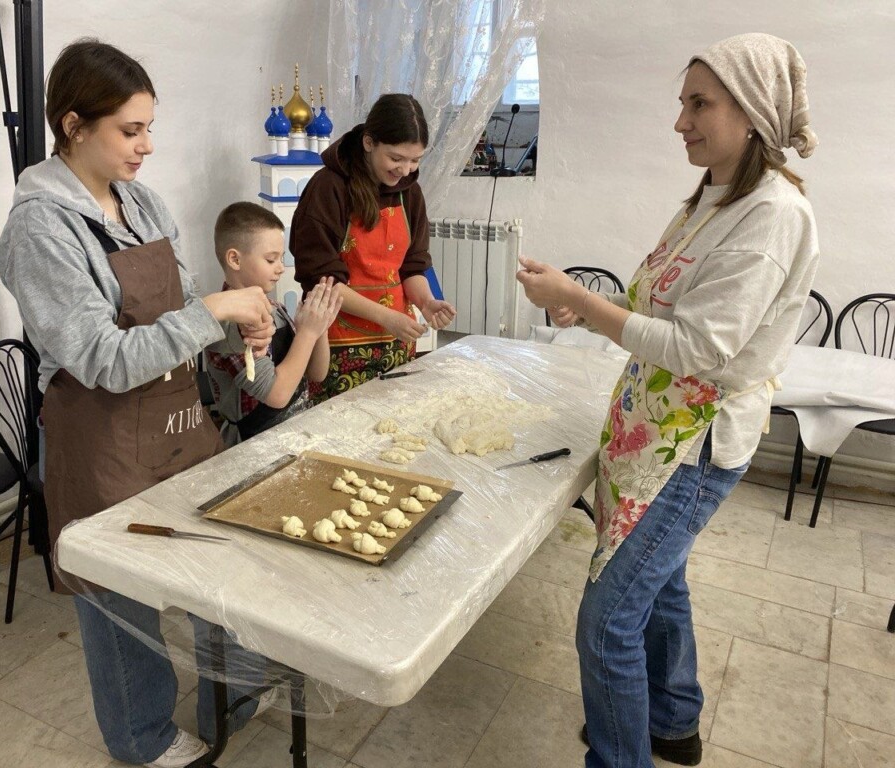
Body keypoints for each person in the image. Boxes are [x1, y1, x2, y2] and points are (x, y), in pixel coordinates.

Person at [516, 34, 819, 768]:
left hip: (693, 444)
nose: (681, 122)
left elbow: (699, 350)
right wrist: (585, 308)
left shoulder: (773, 215)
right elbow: (659, 302)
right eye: (683, 103)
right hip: (652, 428)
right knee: (662, 579)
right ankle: (673, 718)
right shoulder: (710, 198)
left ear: (752, 111)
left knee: (606, 623)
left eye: (699, 104)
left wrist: (585, 299)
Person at [0, 40, 275, 767]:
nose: (147, 145)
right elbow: (103, 359)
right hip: (102, 435)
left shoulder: (141, 202)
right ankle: (141, 735)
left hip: (175, 418)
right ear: (73, 125)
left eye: (150, 127)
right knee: (119, 596)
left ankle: (231, 692)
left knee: (217, 556)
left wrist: (236, 322)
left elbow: (181, 301)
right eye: (131, 130)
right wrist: (211, 311)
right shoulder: (41, 228)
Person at [290, 93, 457, 401]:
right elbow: (323, 283)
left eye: (415, 160)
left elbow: (412, 266)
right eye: (396, 158)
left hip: (396, 339)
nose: (405, 170)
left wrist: (425, 302)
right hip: (337, 345)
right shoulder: (328, 188)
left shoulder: (410, 193)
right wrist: (386, 317)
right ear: (369, 142)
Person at [205, 202, 342, 446]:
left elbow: (316, 373)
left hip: (295, 432)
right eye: (271, 260)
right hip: (253, 445)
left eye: (281, 258)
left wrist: (319, 327)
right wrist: (307, 333)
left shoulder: (275, 308)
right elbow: (277, 395)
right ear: (235, 259)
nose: (281, 269)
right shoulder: (229, 325)